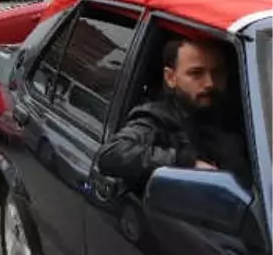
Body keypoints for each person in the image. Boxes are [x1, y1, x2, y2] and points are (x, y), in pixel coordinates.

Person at [97, 37, 248, 189]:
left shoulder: (246, 117)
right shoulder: (158, 118)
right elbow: (112, 153)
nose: (210, 83)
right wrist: (186, 162)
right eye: (196, 73)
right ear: (170, 77)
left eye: (217, 72)